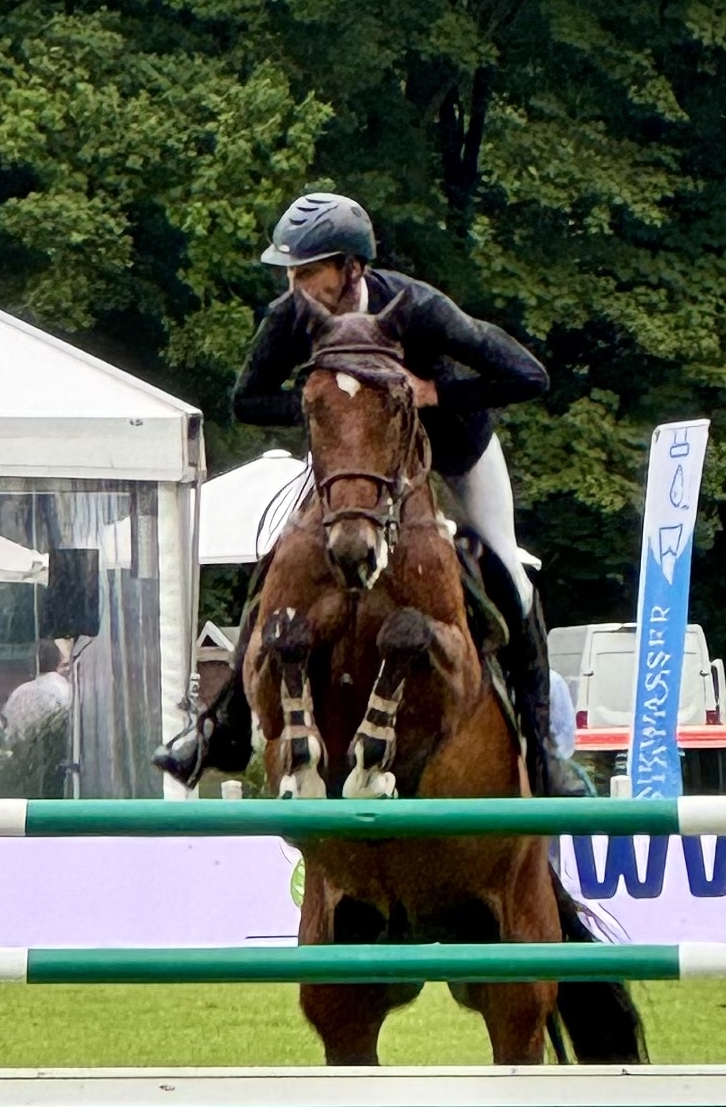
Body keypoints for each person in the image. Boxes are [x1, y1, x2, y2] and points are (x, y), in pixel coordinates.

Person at [153, 191, 580, 793]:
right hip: (354, 465)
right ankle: (224, 723)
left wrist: (435, 392)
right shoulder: (291, 317)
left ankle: (543, 751)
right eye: (291, 273)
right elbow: (245, 401)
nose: (296, 285)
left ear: (351, 267)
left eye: (308, 271)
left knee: (506, 566)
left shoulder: (419, 308)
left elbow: (528, 375)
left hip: (451, 452)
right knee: (278, 561)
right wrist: (323, 405)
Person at [2, 639, 73, 745]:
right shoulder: (66, 690)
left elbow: (8, 734)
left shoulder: (17, 695)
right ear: (58, 660)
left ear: (32, 664)